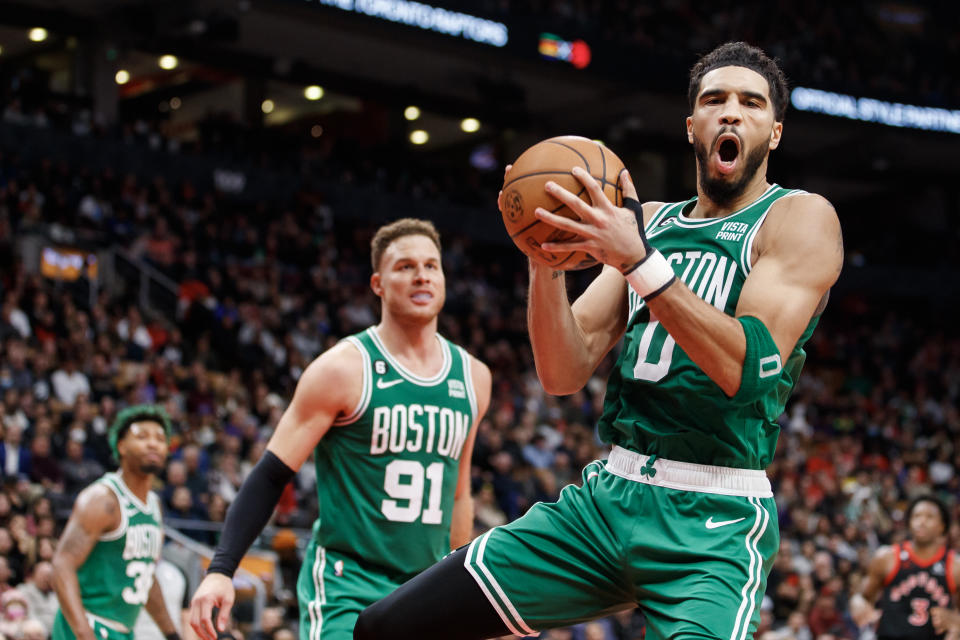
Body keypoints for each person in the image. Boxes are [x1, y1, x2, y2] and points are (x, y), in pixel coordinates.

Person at [354, 41, 843, 640]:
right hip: (609, 498)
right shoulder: (651, 223)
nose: (732, 113)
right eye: (715, 100)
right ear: (692, 126)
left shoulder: (799, 219)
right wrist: (543, 261)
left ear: (775, 132)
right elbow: (562, 372)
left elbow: (746, 369)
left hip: (713, 520)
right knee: (386, 628)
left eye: (752, 103)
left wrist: (640, 261)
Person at [189, 218, 492, 640]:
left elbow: (459, 492)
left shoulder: (474, 376)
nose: (421, 275)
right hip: (348, 584)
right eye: (405, 266)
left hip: (426, 585)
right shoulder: (342, 368)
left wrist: (461, 584)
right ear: (377, 284)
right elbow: (271, 474)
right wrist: (222, 569)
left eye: (431, 265)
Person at [51, 404, 180, 640]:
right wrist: (84, 634)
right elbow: (62, 565)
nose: (153, 443)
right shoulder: (102, 499)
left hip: (123, 632)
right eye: (142, 436)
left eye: (161, 439)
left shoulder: (154, 504)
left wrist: (171, 634)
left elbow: (145, 577)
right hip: (87, 626)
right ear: (121, 446)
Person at [850, 495, 960, 639]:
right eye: (917, 516)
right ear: (909, 523)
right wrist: (857, 603)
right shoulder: (886, 557)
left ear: (942, 526)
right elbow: (864, 598)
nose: (922, 522)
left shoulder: (954, 565)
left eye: (929, 517)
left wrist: (956, 621)